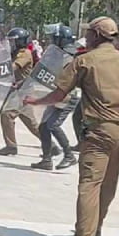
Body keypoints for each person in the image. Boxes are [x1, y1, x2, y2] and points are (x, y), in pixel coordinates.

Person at [24, 17, 119, 236]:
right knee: (108, 185)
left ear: (95, 35)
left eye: (89, 33)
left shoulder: (83, 61)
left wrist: (36, 101)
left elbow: (60, 94)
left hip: (100, 131)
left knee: (89, 185)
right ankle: (96, 228)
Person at [0, 27, 55, 156]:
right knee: (31, 123)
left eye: (13, 41)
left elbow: (13, 67)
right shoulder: (15, 52)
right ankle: (51, 146)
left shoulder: (24, 53)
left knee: (7, 114)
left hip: (23, 91)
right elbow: (1, 51)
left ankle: (11, 146)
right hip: (21, 90)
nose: (11, 44)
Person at [31, 24, 81, 171]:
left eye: (55, 38)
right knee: (43, 127)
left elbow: (67, 81)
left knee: (53, 125)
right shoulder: (60, 54)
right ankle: (46, 159)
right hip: (58, 94)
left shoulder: (69, 58)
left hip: (67, 96)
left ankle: (69, 155)